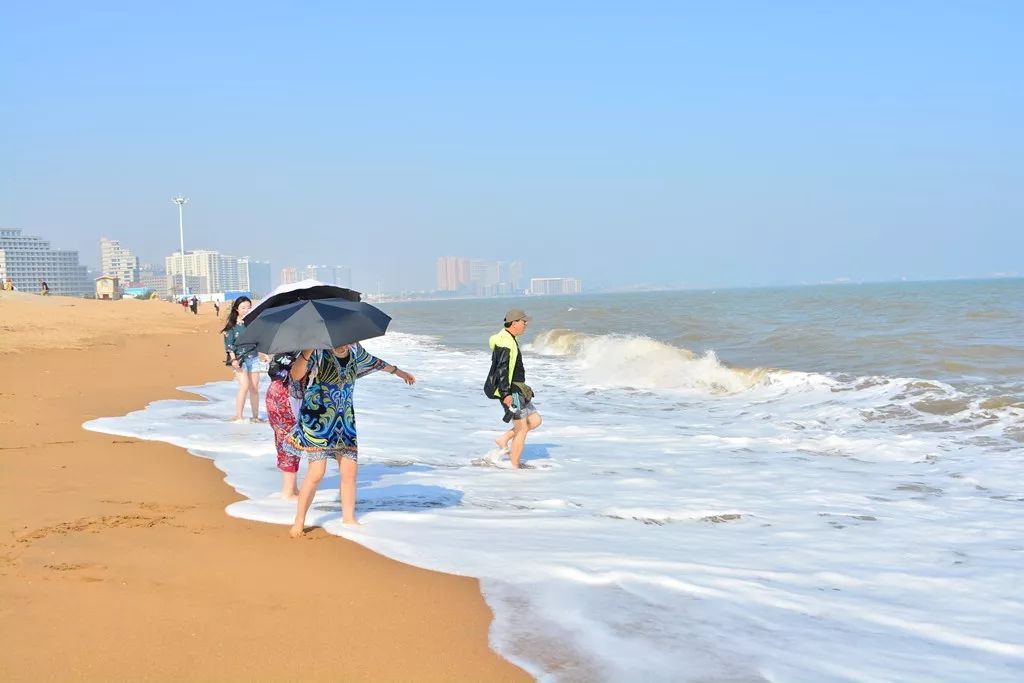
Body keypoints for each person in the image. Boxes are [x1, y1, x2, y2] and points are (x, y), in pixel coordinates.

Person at [286, 343, 416, 535]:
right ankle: (299, 520)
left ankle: (349, 519)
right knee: (317, 473)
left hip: (345, 420)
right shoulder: (318, 352)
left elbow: (376, 362)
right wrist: (306, 351)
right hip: (317, 420)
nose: (348, 340)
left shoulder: (355, 351)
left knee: (350, 472)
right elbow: (295, 376)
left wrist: (399, 372)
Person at [485, 309, 542, 468]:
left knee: (535, 420)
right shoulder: (506, 341)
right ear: (515, 322)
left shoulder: (509, 338)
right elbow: (501, 369)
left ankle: (504, 439)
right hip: (511, 391)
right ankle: (515, 466)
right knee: (522, 428)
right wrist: (505, 394)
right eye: (523, 322)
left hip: (518, 388)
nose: (526, 324)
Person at [265, 353, 305, 499]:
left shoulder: (283, 346)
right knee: (291, 441)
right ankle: (288, 491)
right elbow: (298, 374)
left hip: (274, 391)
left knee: (283, 440)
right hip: (288, 396)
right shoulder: (304, 351)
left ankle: (292, 488)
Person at [222, 297, 265, 423]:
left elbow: (258, 340)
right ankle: (239, 416)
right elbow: (229, 346)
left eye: (249, 307)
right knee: (244, 386)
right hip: (240, 360)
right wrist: (233, 360)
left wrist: (265, 354)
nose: (246, 310)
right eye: (243, 307)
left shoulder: (253, 323)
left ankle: (255, 417)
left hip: (254, 358)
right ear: (237, 309)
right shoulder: (232, 326)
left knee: (254, 388)